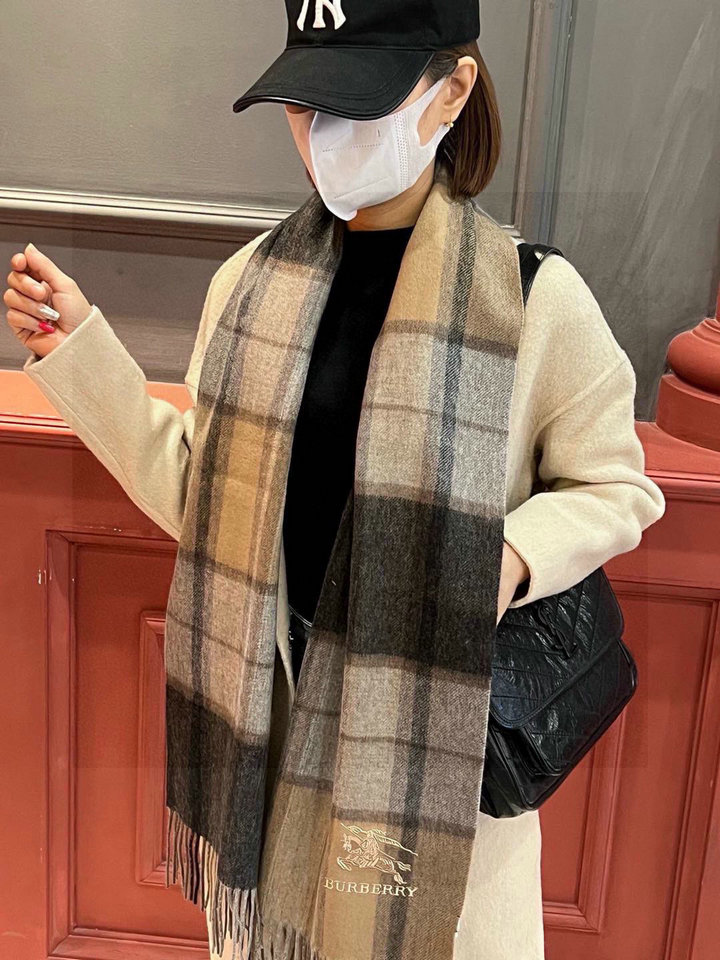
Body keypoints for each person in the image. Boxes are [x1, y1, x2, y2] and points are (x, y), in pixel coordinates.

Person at [6, 2, 665, 958]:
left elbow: (617, 488)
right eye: (306, 105)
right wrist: (82, 352)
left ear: (452, 91)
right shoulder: (249, 286)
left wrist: (510, 558)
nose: (325, 135)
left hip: (433, 750)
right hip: (272, 728)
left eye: (359, 104)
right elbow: (204, 497)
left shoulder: (531, 299)